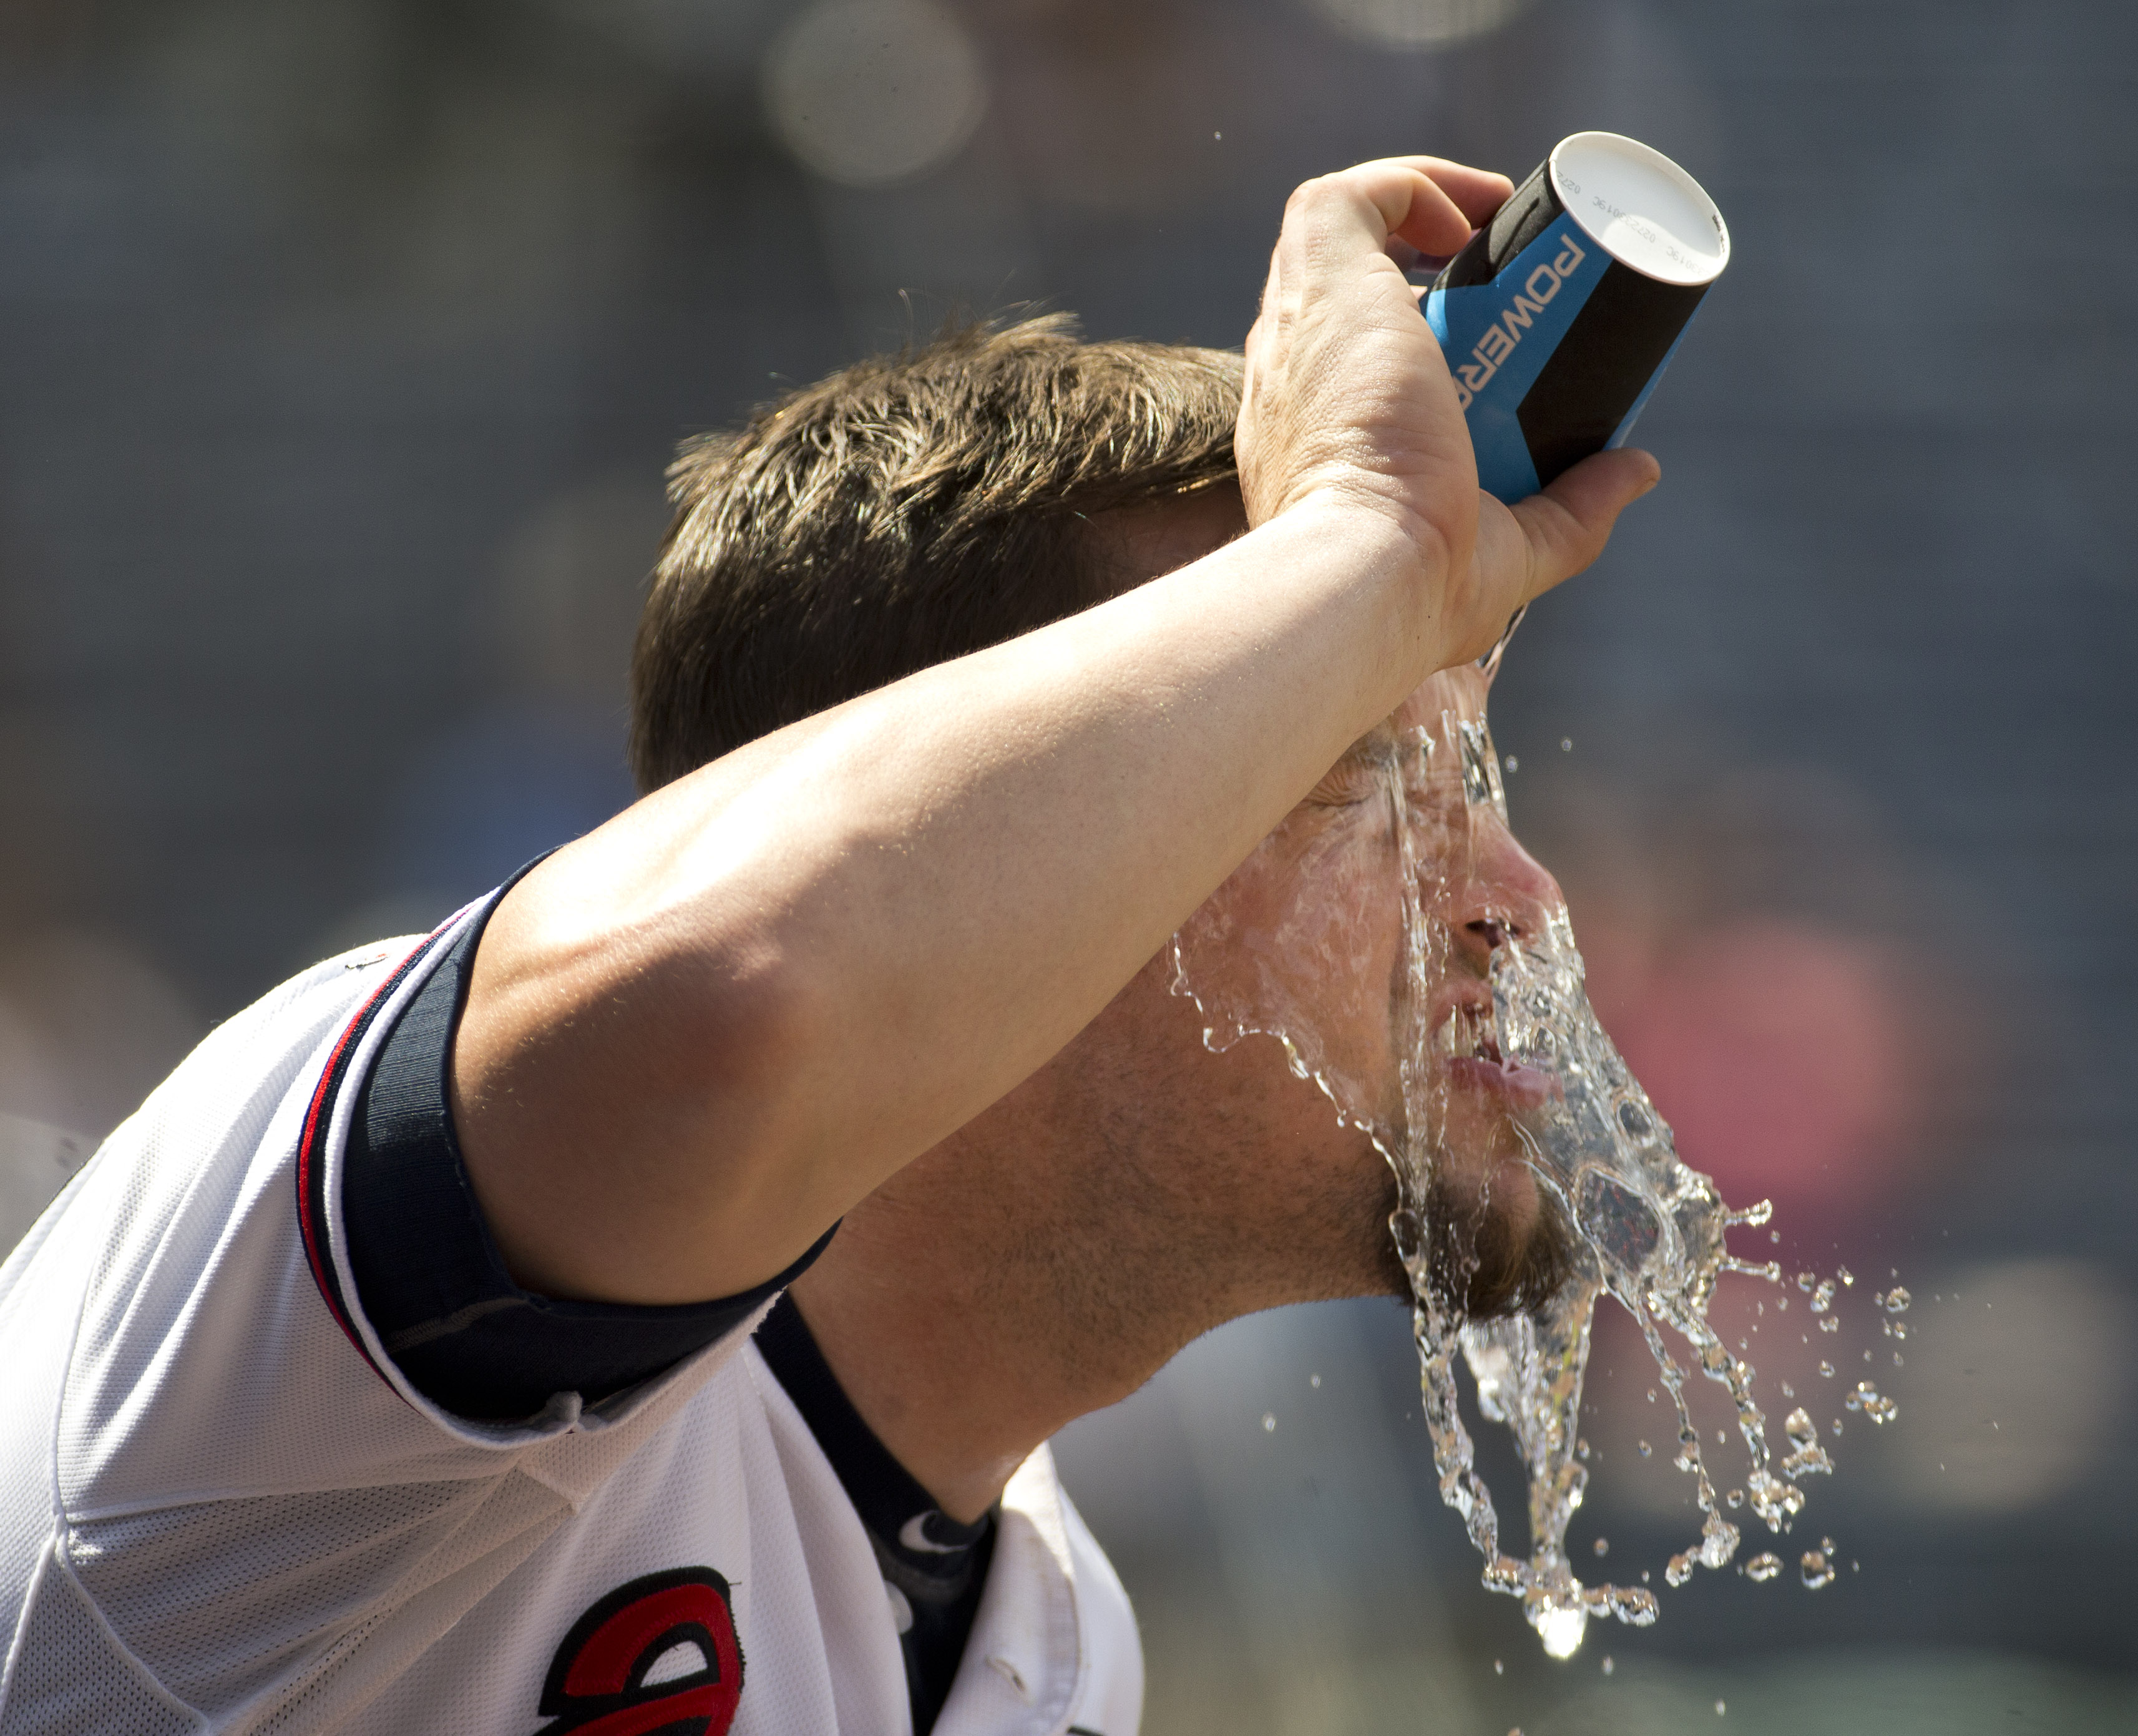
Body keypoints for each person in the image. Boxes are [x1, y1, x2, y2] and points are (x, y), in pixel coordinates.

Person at [0, 158, 1656, 1736]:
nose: (1514, 893)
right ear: (950, 838)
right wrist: (1364, 532)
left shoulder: (1057, 1641)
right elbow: (736, 997)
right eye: (1363, 778)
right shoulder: (307, 1242)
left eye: (1473, 781)